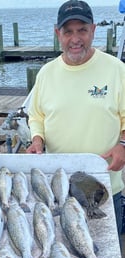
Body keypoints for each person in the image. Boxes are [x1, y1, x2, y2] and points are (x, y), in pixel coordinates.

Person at [26, 0, 125, 244]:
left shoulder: (116, 70)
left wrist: (123, 142)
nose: (75, 38)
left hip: (104, 186)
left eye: (82, 29)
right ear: (57, 33)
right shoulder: (46, 74)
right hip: (59, 189)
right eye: (68, 31)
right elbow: (36, 115)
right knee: (63, 249)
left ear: (93, 30)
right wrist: (37, 139)